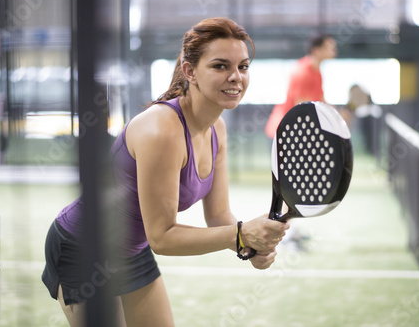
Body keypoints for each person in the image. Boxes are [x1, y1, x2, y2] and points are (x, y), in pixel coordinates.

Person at [42, 17, 290, 327]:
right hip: (83, 245)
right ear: (190, 72)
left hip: (132, 250)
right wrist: (240, 234)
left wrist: (249, 246)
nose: (235, 77)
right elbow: (162, 237)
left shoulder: (217, 128)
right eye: (220, 66)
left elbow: (218, 216)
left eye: (243, 66)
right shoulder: (161, 130)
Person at [265, 34, 337, 139]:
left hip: (297, 131)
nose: (333, 48)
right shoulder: (302, 72)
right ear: (316, 50)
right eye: (328, 46)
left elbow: (321, 101)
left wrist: (336, 115)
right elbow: (301, 109)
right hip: (284, 131)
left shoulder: (317, 72)